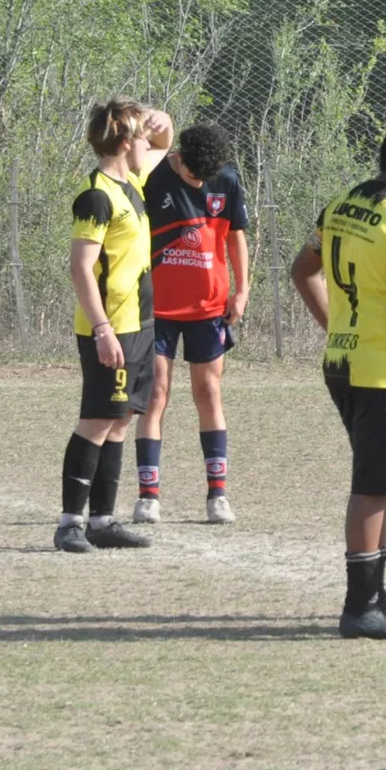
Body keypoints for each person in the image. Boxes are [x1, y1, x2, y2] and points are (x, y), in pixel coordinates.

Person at [290, 114, 386, 640]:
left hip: (342, 363)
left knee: (377, 483)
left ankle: (375, 600)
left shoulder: (340, 205)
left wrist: (336, 325)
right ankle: (360, 608)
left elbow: (302, 269)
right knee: (372, 486)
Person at [55, 98, 172, 553]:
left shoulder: (132, 181)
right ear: (125, 143)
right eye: (141, 138)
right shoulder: (96, 196)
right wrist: (102, 328)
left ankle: (103, 522)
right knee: (97, 420)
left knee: (122, 419)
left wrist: (161, 121)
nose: (150, 145)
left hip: (140, 323)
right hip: (111, 327)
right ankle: (70, 524)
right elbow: (81, 268)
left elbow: (164, 143)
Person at [131, 123, 249, 525]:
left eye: (205, 178)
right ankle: (148, 497)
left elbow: (235, 237)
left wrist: (242, 290)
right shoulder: (151, 173)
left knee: (208, 393)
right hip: (158, 309)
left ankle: (217, 496)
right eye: (191, 175)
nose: (198, 182)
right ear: (177, 157)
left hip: (209, 307)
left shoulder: (228, 179)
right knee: (156, 394)